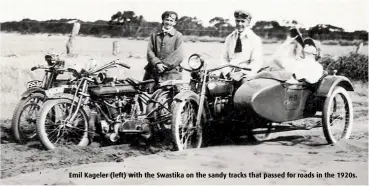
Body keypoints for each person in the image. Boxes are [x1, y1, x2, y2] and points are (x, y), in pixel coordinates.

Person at [143, 11, 185, 92]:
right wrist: (157, 63)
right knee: (149, 97)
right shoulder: (154, 34)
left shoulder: (178, 36)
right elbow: (149, 51)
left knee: (169, 97)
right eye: (167, 20)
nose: (168, 22)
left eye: (171, 20)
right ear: (163, 20)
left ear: (175, 22)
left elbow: (179, 54)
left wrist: (164, 65)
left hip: (171, 73)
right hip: (153, 71)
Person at [218, 10, 263, 81]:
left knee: (242, 91)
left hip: (245, 75)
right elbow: (224, 58)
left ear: (248, 23)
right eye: (237, 21)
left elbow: (256, 62)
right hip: (229, 74)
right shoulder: (229, 38)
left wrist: (242, 73)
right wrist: (227, 72)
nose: (239, 24)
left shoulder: (255, 39)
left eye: (242, 21)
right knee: (212, 86)